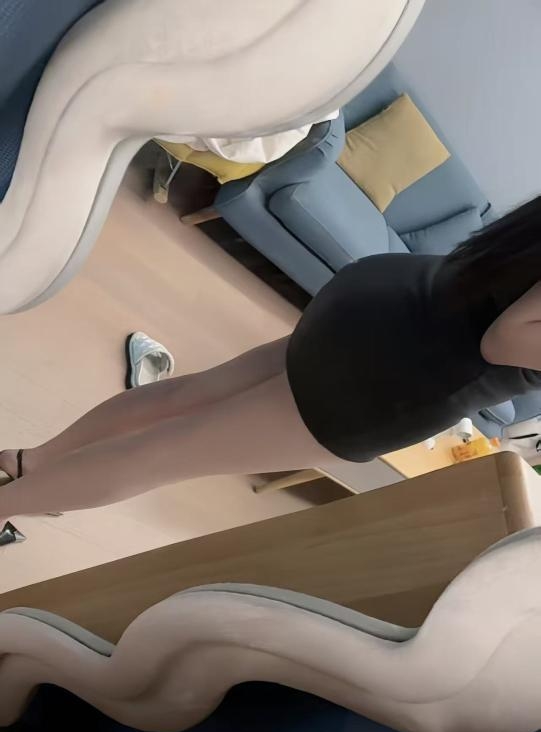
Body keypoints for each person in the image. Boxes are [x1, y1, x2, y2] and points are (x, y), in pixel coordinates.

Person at [1, 196, 541, 517]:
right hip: (387, 376)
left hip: (383, 305)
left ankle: (33, 461)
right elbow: (503, 339)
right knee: (162, 455)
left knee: (186, 397)